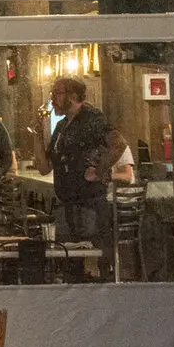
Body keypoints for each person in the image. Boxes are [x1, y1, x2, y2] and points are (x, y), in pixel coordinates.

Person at [46, 76, 114, 245]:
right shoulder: (62, 125)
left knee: (89, 257)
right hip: (65, 204)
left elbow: (117, 143)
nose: (53, 98)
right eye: (52, 93)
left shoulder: (90, 117)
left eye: (58, 93)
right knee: (66, 259)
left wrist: (99, 170)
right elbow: (48, 163)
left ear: (73, 96)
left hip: (87, 205)